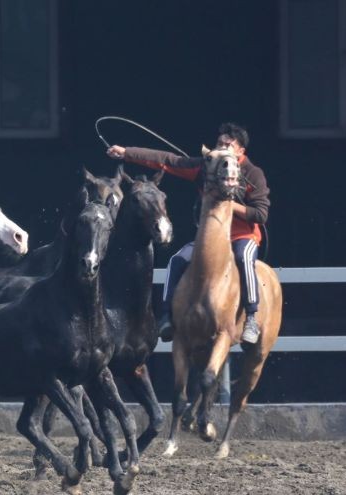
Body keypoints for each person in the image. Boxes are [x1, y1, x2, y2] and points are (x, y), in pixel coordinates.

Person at [106, 122, 270, 344]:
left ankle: (251, 316)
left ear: (240, 151)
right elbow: (166, 160)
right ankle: (166, 316)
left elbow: (260, 214)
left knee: (244, 258)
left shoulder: (253, 174)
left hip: (242, 236)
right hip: (210, 237)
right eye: (219, 143)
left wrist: (228, 205)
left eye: (228, 145)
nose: (221, 147)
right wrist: (127, 153)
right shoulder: (204, 167)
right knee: (178, 260)